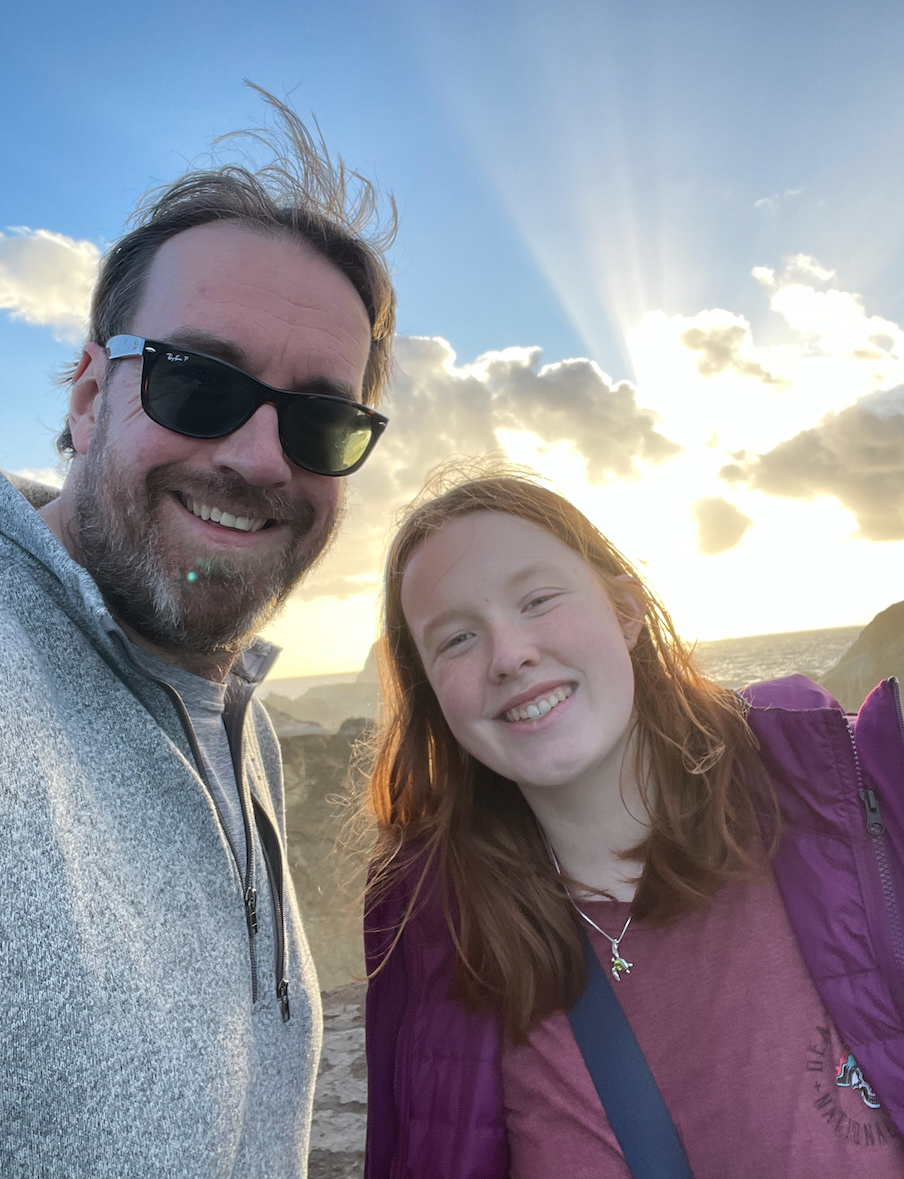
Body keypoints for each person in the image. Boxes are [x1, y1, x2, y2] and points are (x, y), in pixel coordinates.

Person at [0, 92, 396, 1178]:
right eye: (198, 380)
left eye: (320, 418)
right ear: (91, 392)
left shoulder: (240, 717)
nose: (256, 457)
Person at [362, 465, 904, 1178]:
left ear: (625, 609)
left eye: (539, 599)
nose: (510, 654)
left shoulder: (854, 801)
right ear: (434, 696)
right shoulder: (428, 936)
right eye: (456, 640)